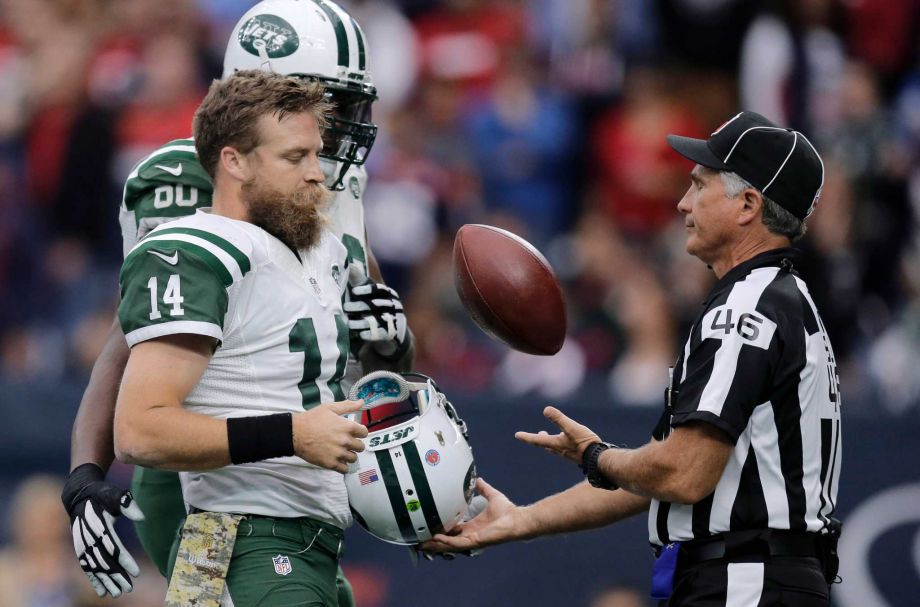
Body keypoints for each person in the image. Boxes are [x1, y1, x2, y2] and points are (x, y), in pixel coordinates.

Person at [60, 0, 412, 602]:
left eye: (346, 105)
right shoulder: (187, 183)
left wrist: (391, 340)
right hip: (209, 485)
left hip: (307, 495)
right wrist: (84, 477)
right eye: (326, 104)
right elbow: (133, 346)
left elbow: (352, 356)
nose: (339, 126)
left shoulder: (333, 185)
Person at [424, 111, 843, 607]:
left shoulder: (745, 308)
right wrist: (520, 520)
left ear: (748, 204)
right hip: (761, 575)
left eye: (699, 185)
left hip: (746, 581)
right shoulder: (781, 298)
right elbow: (658, 477)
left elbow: (681, 474)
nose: (683, 202)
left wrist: (596, 457)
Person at [114, 69, 371, 607]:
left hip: (313, 540)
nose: (315, 174)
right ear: (233, 161)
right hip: (234, 537)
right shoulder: (198, 251)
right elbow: (140, 430)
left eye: (315, 154)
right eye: (293, 157)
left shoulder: (321, 247)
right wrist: (292, 435)